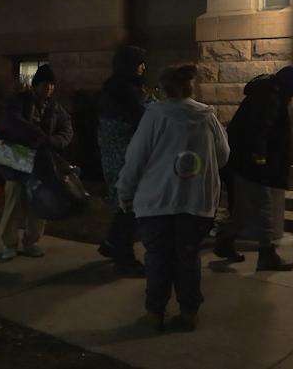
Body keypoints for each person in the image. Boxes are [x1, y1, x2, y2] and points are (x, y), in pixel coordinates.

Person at [116, 64, 229, 332]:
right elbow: (223, 155)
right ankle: (189, 313)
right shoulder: (207, 117)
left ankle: (155, 314)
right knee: (188, 258)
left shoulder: (155, 116)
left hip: (157, 201)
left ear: (164, 89)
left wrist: (125, 191)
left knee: (157, 258)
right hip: (195, 202)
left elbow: (135, 158)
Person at [213, 65, 293, 272]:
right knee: (264, 207)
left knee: (245, 209)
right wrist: (261, 161)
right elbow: (260, 132)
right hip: (252, 165)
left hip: (244, 162)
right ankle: (267, 254)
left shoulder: (267, 93)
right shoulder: (271, 98)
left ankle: (224, 241)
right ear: (288, 86)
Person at [0, 64, 73, 261]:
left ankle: (31, 241)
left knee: (40, 201)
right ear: (36, 84)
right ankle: (9, 244)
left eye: (52, 84)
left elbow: (66, 130)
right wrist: (39, 136)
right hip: (17, 155)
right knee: (14, 200)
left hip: (41, 160)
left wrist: (53, 141)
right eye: (45, 84)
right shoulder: (20, 101)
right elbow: (13, 123)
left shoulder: (55, 108)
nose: (49, 88)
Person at [97, 45, 149, 276]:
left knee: (126, 203)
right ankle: (123, 256)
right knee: (131, 204)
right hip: (123, 155)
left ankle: (111, 243)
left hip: (115, 154)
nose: (143, 67)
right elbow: (140, 117)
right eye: (139, 63)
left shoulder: (116, 85)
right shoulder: (125, 89)